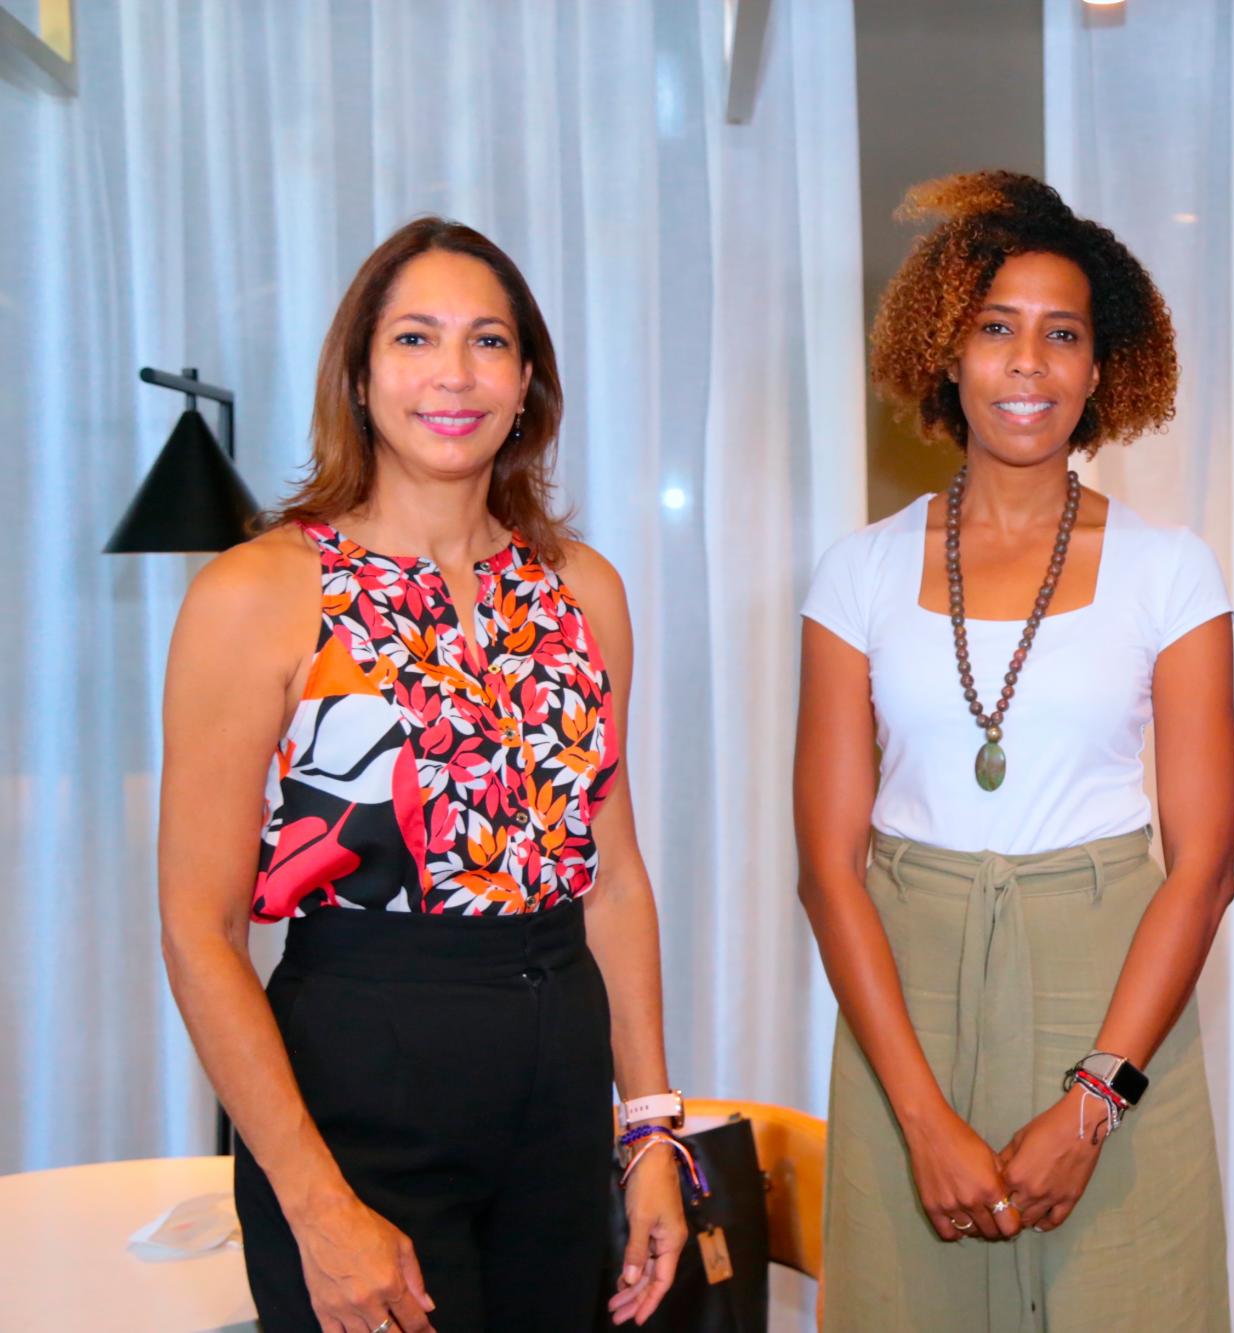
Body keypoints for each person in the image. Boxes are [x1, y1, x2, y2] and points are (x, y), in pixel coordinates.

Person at [159, 217, 687, 1332]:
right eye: (414, 338)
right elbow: (198, 930)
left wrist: (648, 1129)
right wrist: (314, 1205)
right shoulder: (260, 591)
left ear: (526, 378)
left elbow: (613, 878)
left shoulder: (580, 589)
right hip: (357, 1094)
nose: (453, 373)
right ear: (359, 374)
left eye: (487, 341)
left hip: (556, 1100)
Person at [795, 171, 1234, 1331]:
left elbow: (1204, 865)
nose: (1027, 364)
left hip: (1113, 993)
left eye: (1060, 335)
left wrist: (1094, 1099)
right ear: (947, 352)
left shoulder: (1171, 570)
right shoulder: (857, 572)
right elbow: (829, 867)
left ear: (1101, 370)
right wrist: (921, 1118)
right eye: (996, 329)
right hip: (908, 998)